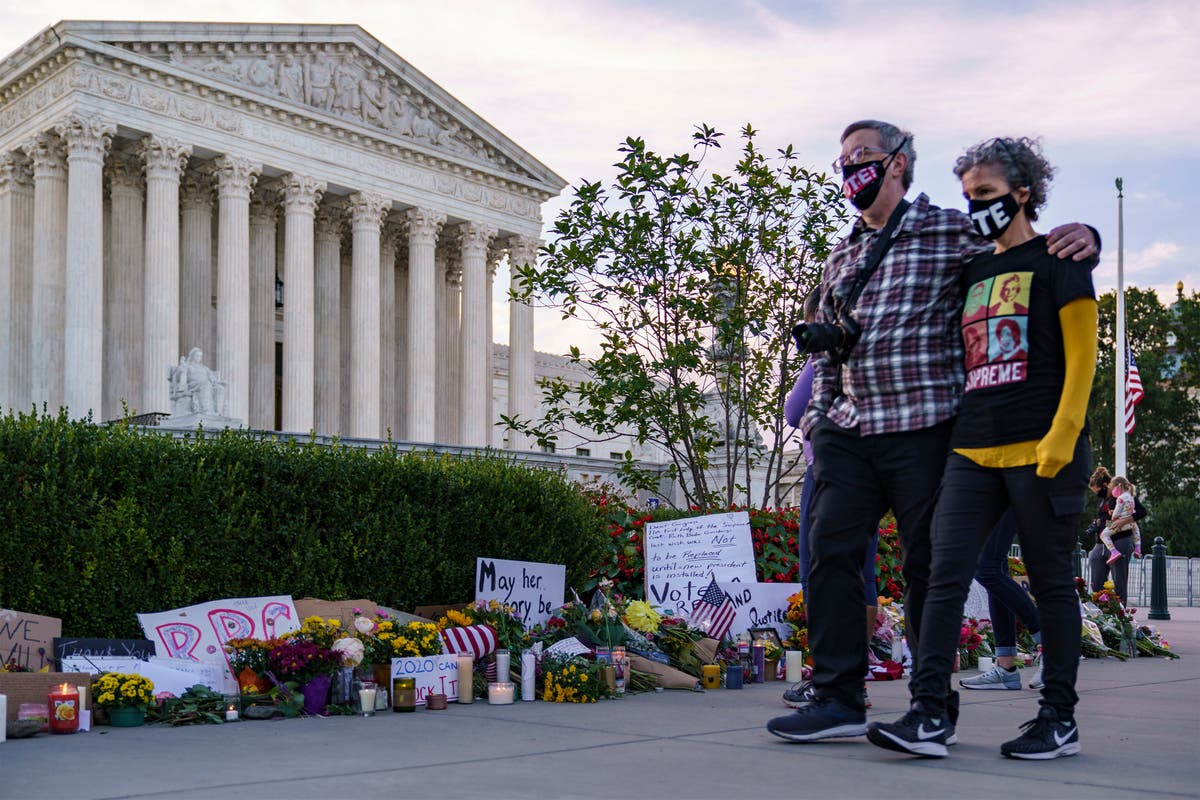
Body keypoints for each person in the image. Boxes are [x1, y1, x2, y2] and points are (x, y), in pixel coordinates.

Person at [764, 120, 1097, 745]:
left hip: (927, 427)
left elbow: (1025, 253)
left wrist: (1086, 234)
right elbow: (824, 351)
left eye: (862, 154)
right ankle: (839, 696)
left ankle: (947, 705)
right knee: (831, 552)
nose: (850, 167)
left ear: (898, 163)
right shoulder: (840, 256)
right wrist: (818, 420)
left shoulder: (948, 230)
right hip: (853, 430)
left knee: (931, 569)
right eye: (842, 158)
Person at [866, 136, 1096, 760]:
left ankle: (1058, 718)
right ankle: (931, 713)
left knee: (1051, 584)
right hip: (973, 447)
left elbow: (1083, 357)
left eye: (988, 196)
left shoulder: (1060, 259)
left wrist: (1063, 434)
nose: (977, 209)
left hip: (1045, 447)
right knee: (942, 576)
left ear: (1023, 193)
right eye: (969, 198)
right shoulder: (970, 267)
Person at [781, 288, 879, 709]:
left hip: (828, 472)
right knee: (864, 575)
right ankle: (856, 677)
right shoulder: (871, 349)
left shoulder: (825, 355)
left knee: (818, 572)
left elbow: (793, 410)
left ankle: (829, 677)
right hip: (872, 472)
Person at [958, 510, 1043, 691]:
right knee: (994, 570)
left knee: (989, 570)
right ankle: (1006, 668)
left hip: (1009, 489)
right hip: (990, 494)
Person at [1086, 467, 1147, 601]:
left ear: (1105, 485)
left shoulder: (1123, 496)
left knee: (1119, 582)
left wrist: (1124, 520)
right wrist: (1097, 523)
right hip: (1102, 543)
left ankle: (1121, 615)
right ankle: (1101, 612)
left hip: (1120, 540)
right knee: (1096, 579)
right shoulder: (1104, 501)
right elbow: (1107, 520)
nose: (1097, 494)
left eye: (1097, 491)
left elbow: (1142, 512)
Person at [1100, 476, 1142, 563]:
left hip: (1121, 524)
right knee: (1136, 531)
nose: (1112, 491)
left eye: (1113, 488)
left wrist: (1113, 516)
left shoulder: (1120, 498)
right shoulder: (1130, 495)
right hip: (1131, 523)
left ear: (1119, 486)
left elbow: (1116, 513)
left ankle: (1114, 552)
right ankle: (1138, 549)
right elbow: (1130, 509)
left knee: (1103, 534)